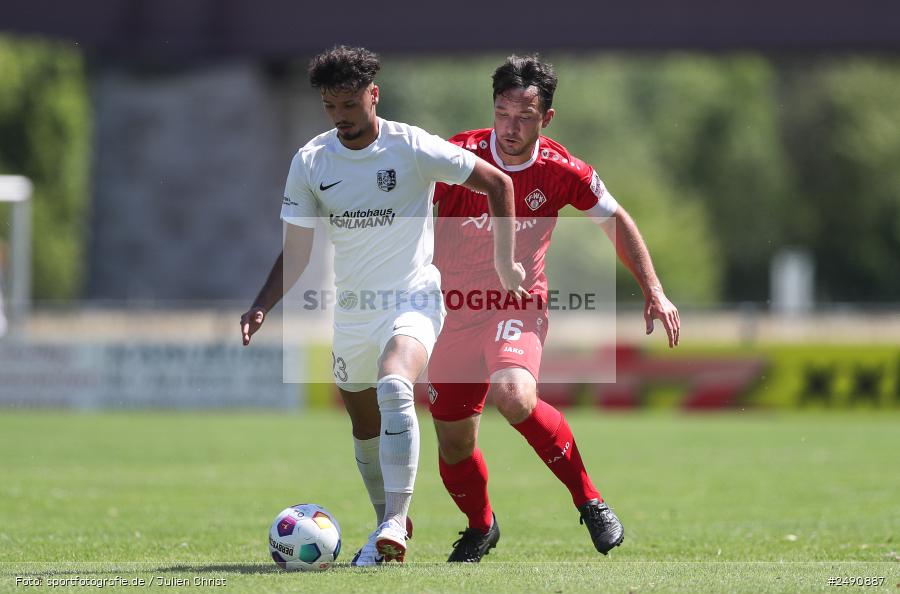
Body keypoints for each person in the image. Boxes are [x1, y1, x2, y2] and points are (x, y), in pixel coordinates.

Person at [240, 46, 525, 565]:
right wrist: (262, 305)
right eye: (330, 107)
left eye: (349, 103)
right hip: (352, 312)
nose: (341, 117)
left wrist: (506, 264)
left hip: (413, 297)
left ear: (374, 94)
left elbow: (498, 183)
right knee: (365, 429)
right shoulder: (311, 161)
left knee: (396, 380)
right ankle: (386, 526)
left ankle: (396, 519)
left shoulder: (411, 146)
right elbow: (298, 250)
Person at [427, 54, 681, 562]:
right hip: (451, 312)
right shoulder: (457, 155)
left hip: (516, 306)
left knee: (514, 394)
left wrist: (654, 289)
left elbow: (616, 220)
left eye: (524, 116)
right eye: (502, 113)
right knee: (454, 442)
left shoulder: (563, 171)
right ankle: (481, 527)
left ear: (547, 118)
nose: (510, 127)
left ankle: (589, 500)